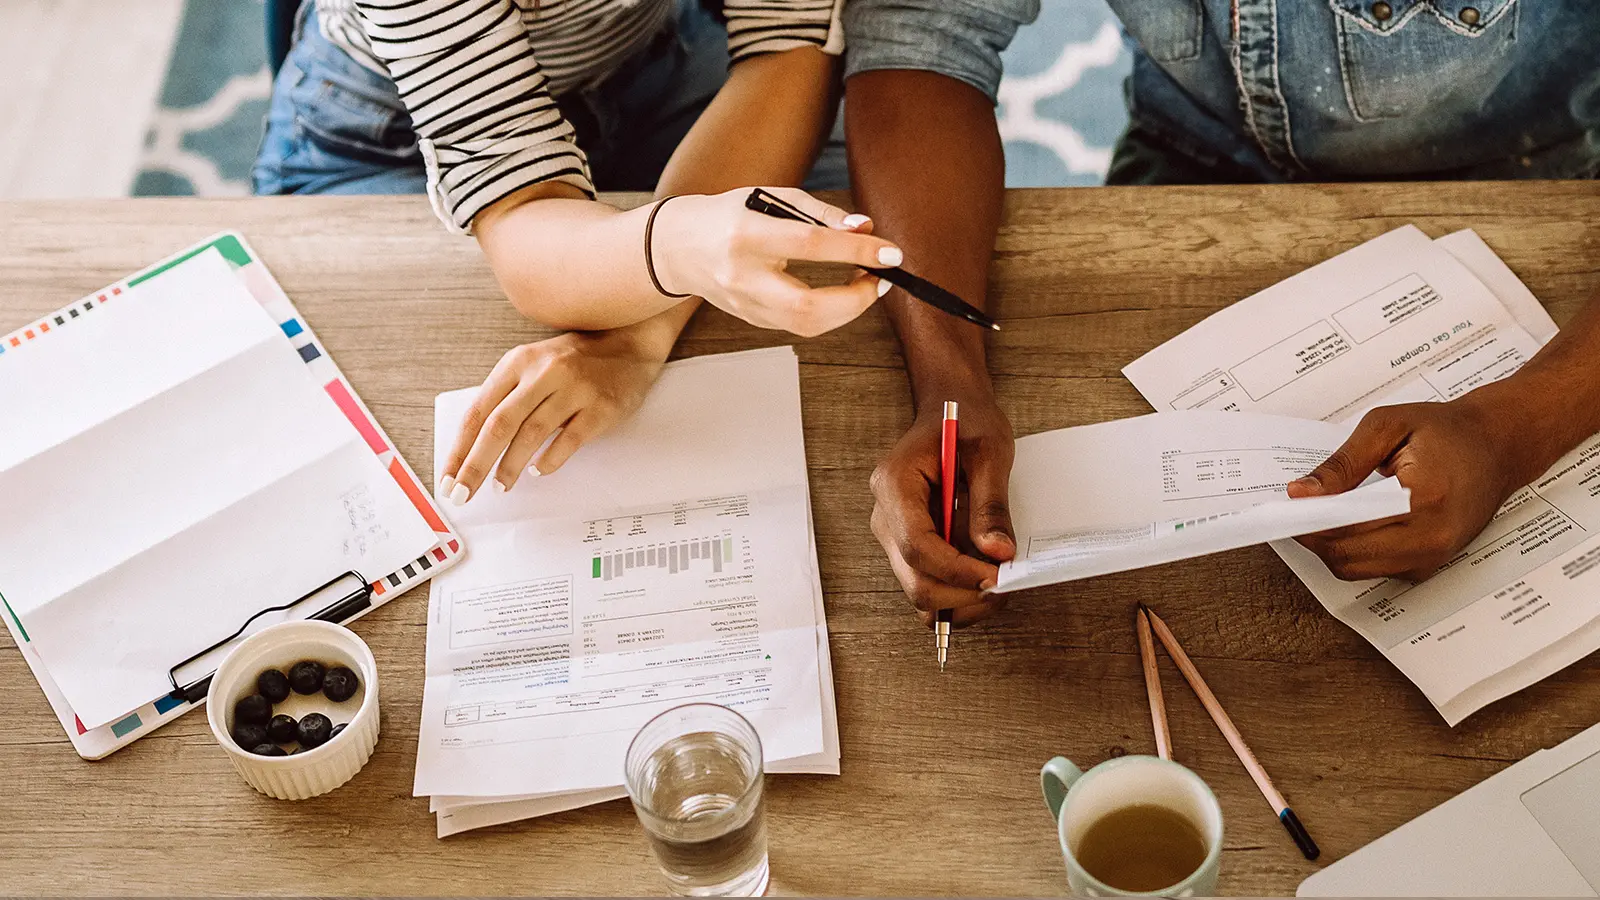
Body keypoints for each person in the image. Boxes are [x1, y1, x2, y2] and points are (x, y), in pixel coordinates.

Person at [861, 0, 1600, 627]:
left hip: (1535, 180)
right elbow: (921, 36)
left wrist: (1515, 427)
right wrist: (949, 382)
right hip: (1190, 160)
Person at [255, 0, 901, 504]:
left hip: (642, 63)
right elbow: (522, 210)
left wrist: (638, 332)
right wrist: (678, 251)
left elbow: (790, 50)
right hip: (384, 132)